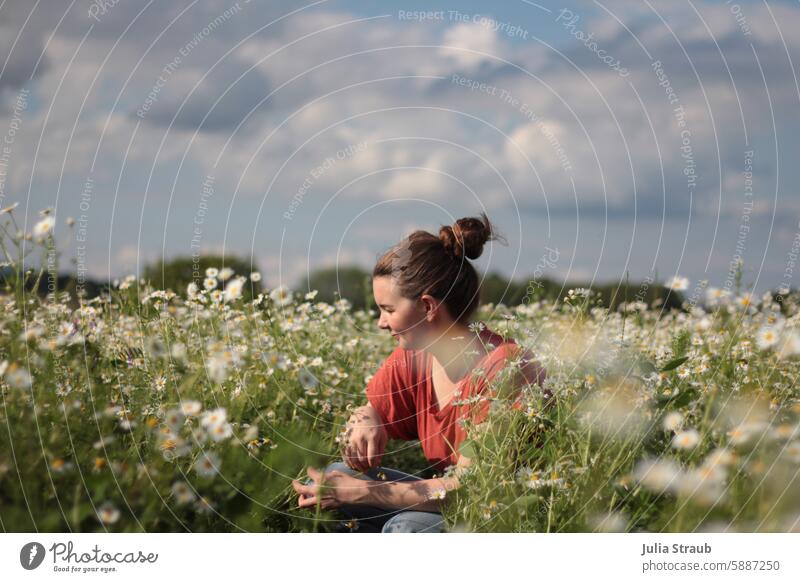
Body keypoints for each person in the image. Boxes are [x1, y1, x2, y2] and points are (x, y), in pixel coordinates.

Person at [291, 213, 549, 532]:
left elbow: (472, 489)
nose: (380, 323)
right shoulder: (413, 357)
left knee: (406, 528)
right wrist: (366, 418)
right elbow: (373, 405)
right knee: (332, 479)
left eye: (387, 310)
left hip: (504, 513)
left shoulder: (506, 367)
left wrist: (363, 492)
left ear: (427, 307)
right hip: (453, 501)